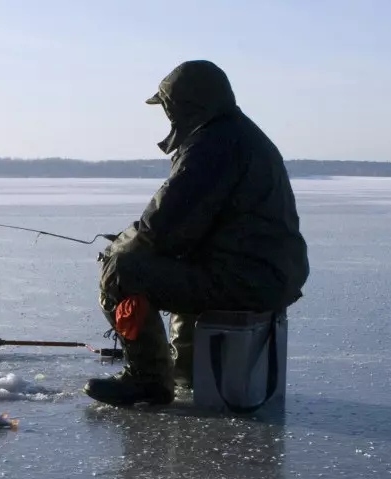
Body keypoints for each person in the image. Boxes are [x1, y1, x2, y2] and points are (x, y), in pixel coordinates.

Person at [84, 60, 310, 407]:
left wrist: (122, 245)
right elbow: (188, 225)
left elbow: (163, 227)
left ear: (184, 105)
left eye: (168, 107)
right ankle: (185, 370)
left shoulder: (212, 145)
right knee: (154, 258)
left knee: (121, 271)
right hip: (268, 274)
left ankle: (148, 380)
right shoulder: (239, 134)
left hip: (247, 279)